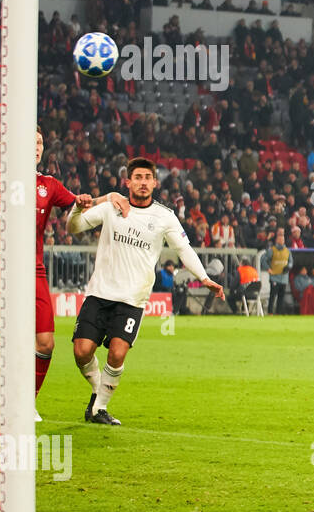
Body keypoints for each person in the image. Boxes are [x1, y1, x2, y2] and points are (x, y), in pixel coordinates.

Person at [0, 131, 130, 427]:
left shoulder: (48, 185)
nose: (36, 148)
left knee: (45, 343)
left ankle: (26, 403)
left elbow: (81, 203)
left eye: (40, 144)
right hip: (1, 266)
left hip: (34, 271)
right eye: (30, 142)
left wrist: (107, 197)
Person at [66, 157, 222, 425]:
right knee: (81, 351)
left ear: (154, 182)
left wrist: (204, 277)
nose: (142, 182)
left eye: (147, 178)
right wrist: (77, 209)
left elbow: (183, 249)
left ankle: (99, 408)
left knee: (116, 354)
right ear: (128, 182)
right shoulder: (110, 207)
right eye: (137, 177)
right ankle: (97, 390)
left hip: (132, 299)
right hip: (100, 293)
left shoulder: (164, 217)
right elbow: (74, 227)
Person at [262, 229, 291, 314]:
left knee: (281, 297)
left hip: (284, 277)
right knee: (272, 296)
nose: (282, 241)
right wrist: (268, 268)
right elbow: (263, 260)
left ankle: (278, 312)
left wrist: (288, 266)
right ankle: (270, 312)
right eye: (280, 239)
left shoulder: (287, 251)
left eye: (283, 239)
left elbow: (291, 261)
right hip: (274, 277)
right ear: (277, 241)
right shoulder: (272, 250)